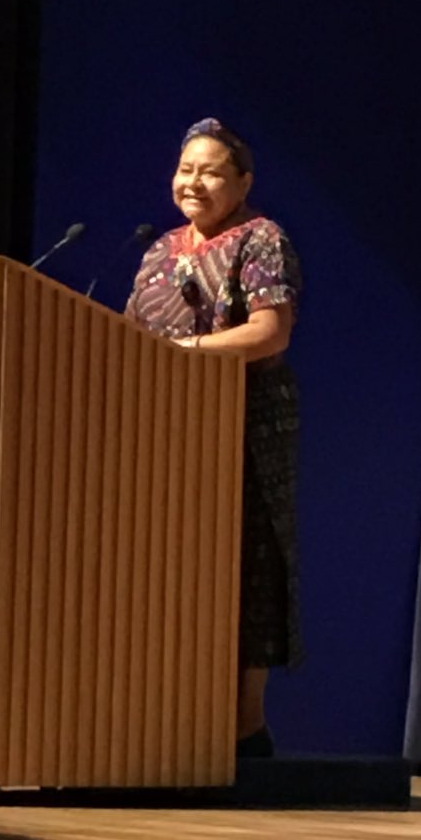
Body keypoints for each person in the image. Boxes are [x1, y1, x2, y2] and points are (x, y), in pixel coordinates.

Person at [125, 118, 303, 757]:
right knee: (169, 569)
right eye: (185, 170)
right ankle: (170, 722)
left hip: (246, 425)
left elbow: (269, 333)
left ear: (243, 182)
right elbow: (127, 338)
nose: (192, 182)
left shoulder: (261, 239)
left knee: (244, 568)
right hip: (167, 432)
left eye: (210, 172)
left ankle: (243, 731)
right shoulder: (159, 251)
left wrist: (188, 351)